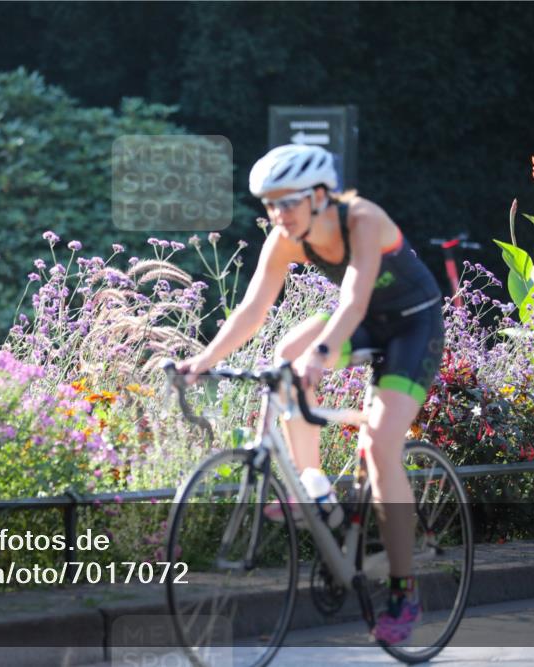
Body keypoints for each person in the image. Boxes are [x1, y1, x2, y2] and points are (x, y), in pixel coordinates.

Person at [174, 144, 444, 645]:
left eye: (288, 202)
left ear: (321, 195)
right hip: (363, 321)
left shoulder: (362, 219)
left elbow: (353, 299)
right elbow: (253, 309)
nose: (278, 214)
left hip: (412, 326)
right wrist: (204, 360)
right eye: (270, 204)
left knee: (380, 447)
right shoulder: (285, 239)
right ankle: (313, 488)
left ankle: (404, 591)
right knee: (285, 358)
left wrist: (321, 354)